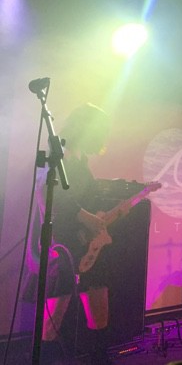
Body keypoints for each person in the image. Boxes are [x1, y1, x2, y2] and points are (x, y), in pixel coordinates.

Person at [38, 103, 113, 364]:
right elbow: (52, 195)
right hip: (65, 241)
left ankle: (99, 358)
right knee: (57, 309)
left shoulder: (81, 158)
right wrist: (86, 216)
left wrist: (97, 213)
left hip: (85, 241)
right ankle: (46, 358)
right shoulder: (63, 153)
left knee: (98, 298)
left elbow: (81, 198)